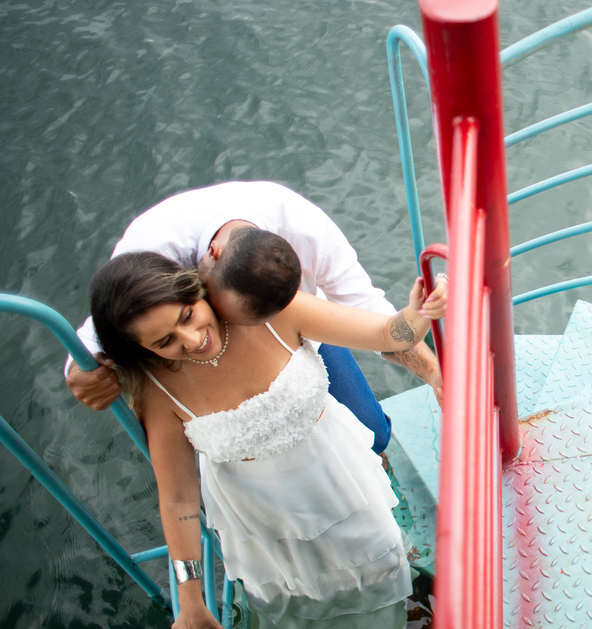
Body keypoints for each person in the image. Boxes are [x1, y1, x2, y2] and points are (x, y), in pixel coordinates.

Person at [88, 250, 447, 629]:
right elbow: (178, 496)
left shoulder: (270, 311)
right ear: (143, 351)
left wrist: (417, 315)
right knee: (304, 609)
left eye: (188, 315)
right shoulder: (158, 388)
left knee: (376, 574)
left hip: (338, 481)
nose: (192, 339)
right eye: (164, 342)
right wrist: (190, 596)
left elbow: (382, 332)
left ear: (197, 290)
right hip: (260, 522)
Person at [66, 181, 442, 455]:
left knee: (372, 433)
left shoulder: (308, 231)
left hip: (304, 335)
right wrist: (82, 372)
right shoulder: (152, 250)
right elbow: (94, 335)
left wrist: (436, 376)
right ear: (206, 262)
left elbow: (371, 314)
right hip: (203, 365)